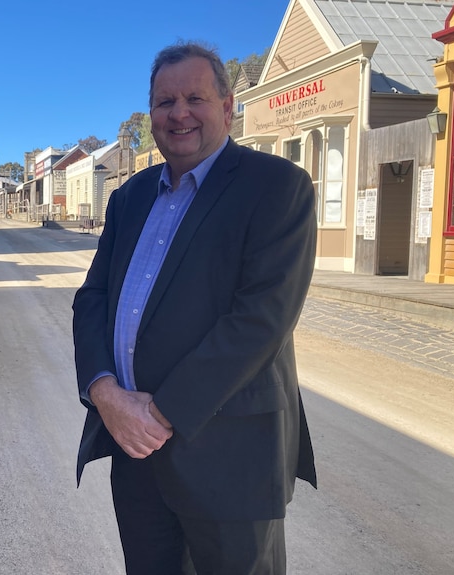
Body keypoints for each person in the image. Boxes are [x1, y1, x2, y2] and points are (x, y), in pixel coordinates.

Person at [72, 41, 317, 575]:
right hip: (136, 455)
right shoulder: (129, 198)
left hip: (230, 455)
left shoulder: (277, 188)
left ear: (228, 108)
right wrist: (106, 393)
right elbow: (93, 299)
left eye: (194, 98)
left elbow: (260, 321)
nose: (178, 112)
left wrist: (156, 416)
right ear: (151, 116)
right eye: (164, 102)